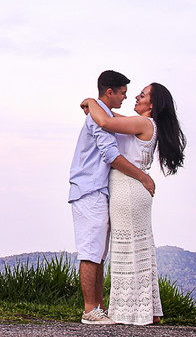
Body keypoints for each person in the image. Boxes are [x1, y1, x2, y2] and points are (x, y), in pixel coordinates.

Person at [81, 82, 186, 326]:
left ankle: (129, 311)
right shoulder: (143, 123)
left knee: (127, 249)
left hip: (127, 187)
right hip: (133, 189)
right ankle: (148, 310)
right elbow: (109, 116)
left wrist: (91, 100)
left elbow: (106, 122)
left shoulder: (143, 123)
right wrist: (95, 106)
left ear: (153, 104)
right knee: (139, 248)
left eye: (143, 94)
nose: (137, 97)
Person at [69, 70, 157, 325]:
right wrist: (143, 177)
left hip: (98, 189)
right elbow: (110, 154)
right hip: (89, 188)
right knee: (91, 251)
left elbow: (114, 120)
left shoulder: (103, 114)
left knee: (99, 252)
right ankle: (90, 310)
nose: (126, 98)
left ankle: (97, 307)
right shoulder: (100, 118)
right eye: (123, 93)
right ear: (110, 92)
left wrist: (91, 102)